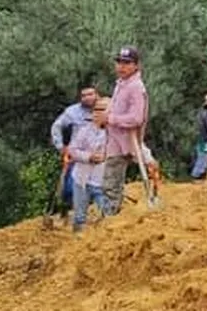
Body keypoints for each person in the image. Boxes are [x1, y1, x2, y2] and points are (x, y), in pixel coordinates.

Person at [104, 46, 148, 213]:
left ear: (136, 65)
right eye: (119, 62)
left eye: (126, 63)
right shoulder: (122, 84)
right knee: (111, 182)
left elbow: (136, 118)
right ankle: (111, 215)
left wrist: (109, 119)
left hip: (123, 143)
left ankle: (110, 218)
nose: (121, 66)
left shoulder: (135, 87)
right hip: (114, 141)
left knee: (111, 184)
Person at [50, 84, 99, 216]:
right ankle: (68, 214)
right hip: (77, 156)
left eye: (90, 94)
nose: (87, 98)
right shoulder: (72, 112)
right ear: (80, 98)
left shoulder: (105, 108)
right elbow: (56, 127)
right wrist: (60, 147)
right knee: (70, 189)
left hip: (100, 156)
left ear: (97, 95)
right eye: (84, 95)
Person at [67, 98, 112, 233]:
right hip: (82, 179)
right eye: (96, 109)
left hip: (103, 181)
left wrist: (149, 161)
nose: (98, 112)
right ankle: (76, 243)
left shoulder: (117, 133)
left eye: (103, 109)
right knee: (79, 216)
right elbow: (73, 150)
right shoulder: (84, 130)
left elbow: (135, 147)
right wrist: (89, 157)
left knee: (108, 213)